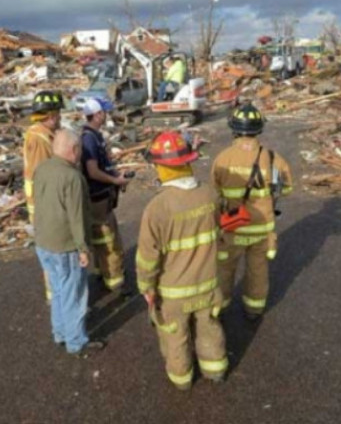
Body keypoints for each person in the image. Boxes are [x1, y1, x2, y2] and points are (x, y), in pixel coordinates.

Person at [136, 131, 228, 390]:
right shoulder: (210, 196)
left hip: (174, 292)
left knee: (175, 336)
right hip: (208, 284)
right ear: (188, 162)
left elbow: (147, 258)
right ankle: (216, 369)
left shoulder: (157, 208)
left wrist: (146, 287)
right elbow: (220, 234)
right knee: (209, 327)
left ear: (162, 167)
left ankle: (182, 380)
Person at [211, 104, 293, 320]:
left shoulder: (223, 159)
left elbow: (214, 193)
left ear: (234, 129)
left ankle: (220, 308)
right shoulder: (274, 159)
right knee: (258, 271)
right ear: (259, 129)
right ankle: (254, 309)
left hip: (232, 228)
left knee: (225, 270)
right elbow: (287, 188)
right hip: (261, 230)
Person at [32, 129, 105, 356]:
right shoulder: (73, 177)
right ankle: (76, 342)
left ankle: (60, 332)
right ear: (74, 150)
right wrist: (83, 248)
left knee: (58, 290)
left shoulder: (42, 168)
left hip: (43, 241)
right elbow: (77, 216)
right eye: (80, 150)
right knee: (74, 293)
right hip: (65, 245)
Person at [80, 98, 129, 292]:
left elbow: (102, 166)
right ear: (98, 114)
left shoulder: (95, 135)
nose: (106, 115)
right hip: (98, 197)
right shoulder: (89, 138)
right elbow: (92, 171)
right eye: (104, 112)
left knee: (102, 239)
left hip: (103, 195)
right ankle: (116, 282)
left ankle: (104, 271)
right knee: (109, 242)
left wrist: (117, 175)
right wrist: (115, 181)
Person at [24, 90, 64, 301]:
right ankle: (56, 297)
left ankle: (57, 295)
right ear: (49, 116)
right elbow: (42, 174)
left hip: (43, 204)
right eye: (58, 114)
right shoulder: (39, 139)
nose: (59, 119)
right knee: (54, 253)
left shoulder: (42, 134)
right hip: (44, 206)